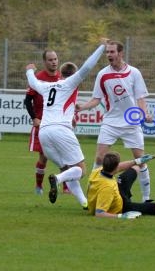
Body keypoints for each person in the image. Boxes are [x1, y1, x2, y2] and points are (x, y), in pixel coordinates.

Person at [25, 40, 107, 208]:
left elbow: (33, 82)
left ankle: (84, 202)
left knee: (68, 168)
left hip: (44, 132)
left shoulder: (46, 86)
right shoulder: (70, 83)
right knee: (80, 170)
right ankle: (57, 179)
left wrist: (29, 71)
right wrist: (102, 47)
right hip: (61, 130)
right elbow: (87, 67)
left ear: (60, 73)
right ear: (73, 76)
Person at [75, 40, 154, 202]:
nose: (109, 55)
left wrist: (144, 113)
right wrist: (81, 107)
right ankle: (93, 195)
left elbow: (140, 98)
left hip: (131, 123)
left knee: (141, 160)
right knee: (99, 159)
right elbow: (96, 99)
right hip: (110, 122)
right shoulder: (102, 74)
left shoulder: (134, 73)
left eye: (112, 52)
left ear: (120, 53)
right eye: (107, 52)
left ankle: (147, 198)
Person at [24, 49, 70, 195]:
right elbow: (27, 100)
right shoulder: (38, 78)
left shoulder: (62, 78)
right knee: (44, 157)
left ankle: (66, 187)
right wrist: (34, 118)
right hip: (43, 124)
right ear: (45, 62)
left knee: (64, 154)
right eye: (50, 60)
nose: (54, 62)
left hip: (58, 123)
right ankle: (39, 186)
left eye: (55, 59)